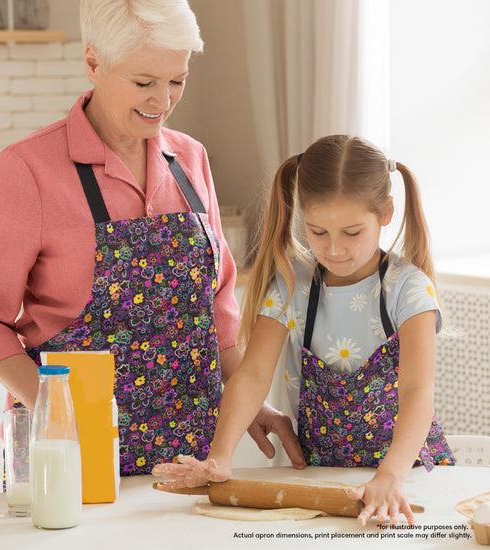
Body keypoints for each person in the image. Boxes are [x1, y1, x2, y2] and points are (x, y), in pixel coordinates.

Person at [0, 0, 302, 476]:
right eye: (144, 83)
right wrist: (51, 409)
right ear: (93, 62)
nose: (163, 100)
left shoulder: (190, 159)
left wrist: (246, 402)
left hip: (190, 457)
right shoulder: (28, 170)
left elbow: (217, 305)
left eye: (177, 80)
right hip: (71, 451)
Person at [152, 134, 455, 523]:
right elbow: (252, 375)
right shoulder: (294, 284)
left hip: (407, 480)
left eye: (352, 232)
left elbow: (418, 391)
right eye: (317, 231)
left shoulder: (408, 290)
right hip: (324, 481)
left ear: (386, 212)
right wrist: (220, 456)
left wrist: (391, 475)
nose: (334, 249)